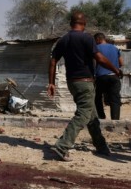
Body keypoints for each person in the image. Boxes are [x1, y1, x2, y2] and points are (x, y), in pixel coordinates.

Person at [48, 12, 122, 162]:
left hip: (72, 82)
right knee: (83, 114)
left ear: (71, 23)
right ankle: (62, 146)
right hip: (85, 82)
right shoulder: (86, 38)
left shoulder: (63, 40)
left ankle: (101, 146)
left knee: (92, 115)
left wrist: (51, 83)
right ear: (84, 23)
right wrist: (115, 69)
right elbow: (99, 58)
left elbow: (53, 62)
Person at [94, 33, 123, 120]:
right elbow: (121, 63)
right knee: (115, 99)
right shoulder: (115, 48)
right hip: (114, 77)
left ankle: (101, 117)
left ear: (98, 39)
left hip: (101, 77)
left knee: (98, 97)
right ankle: (115, 120)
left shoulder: (96, 48)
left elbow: (93, 63)